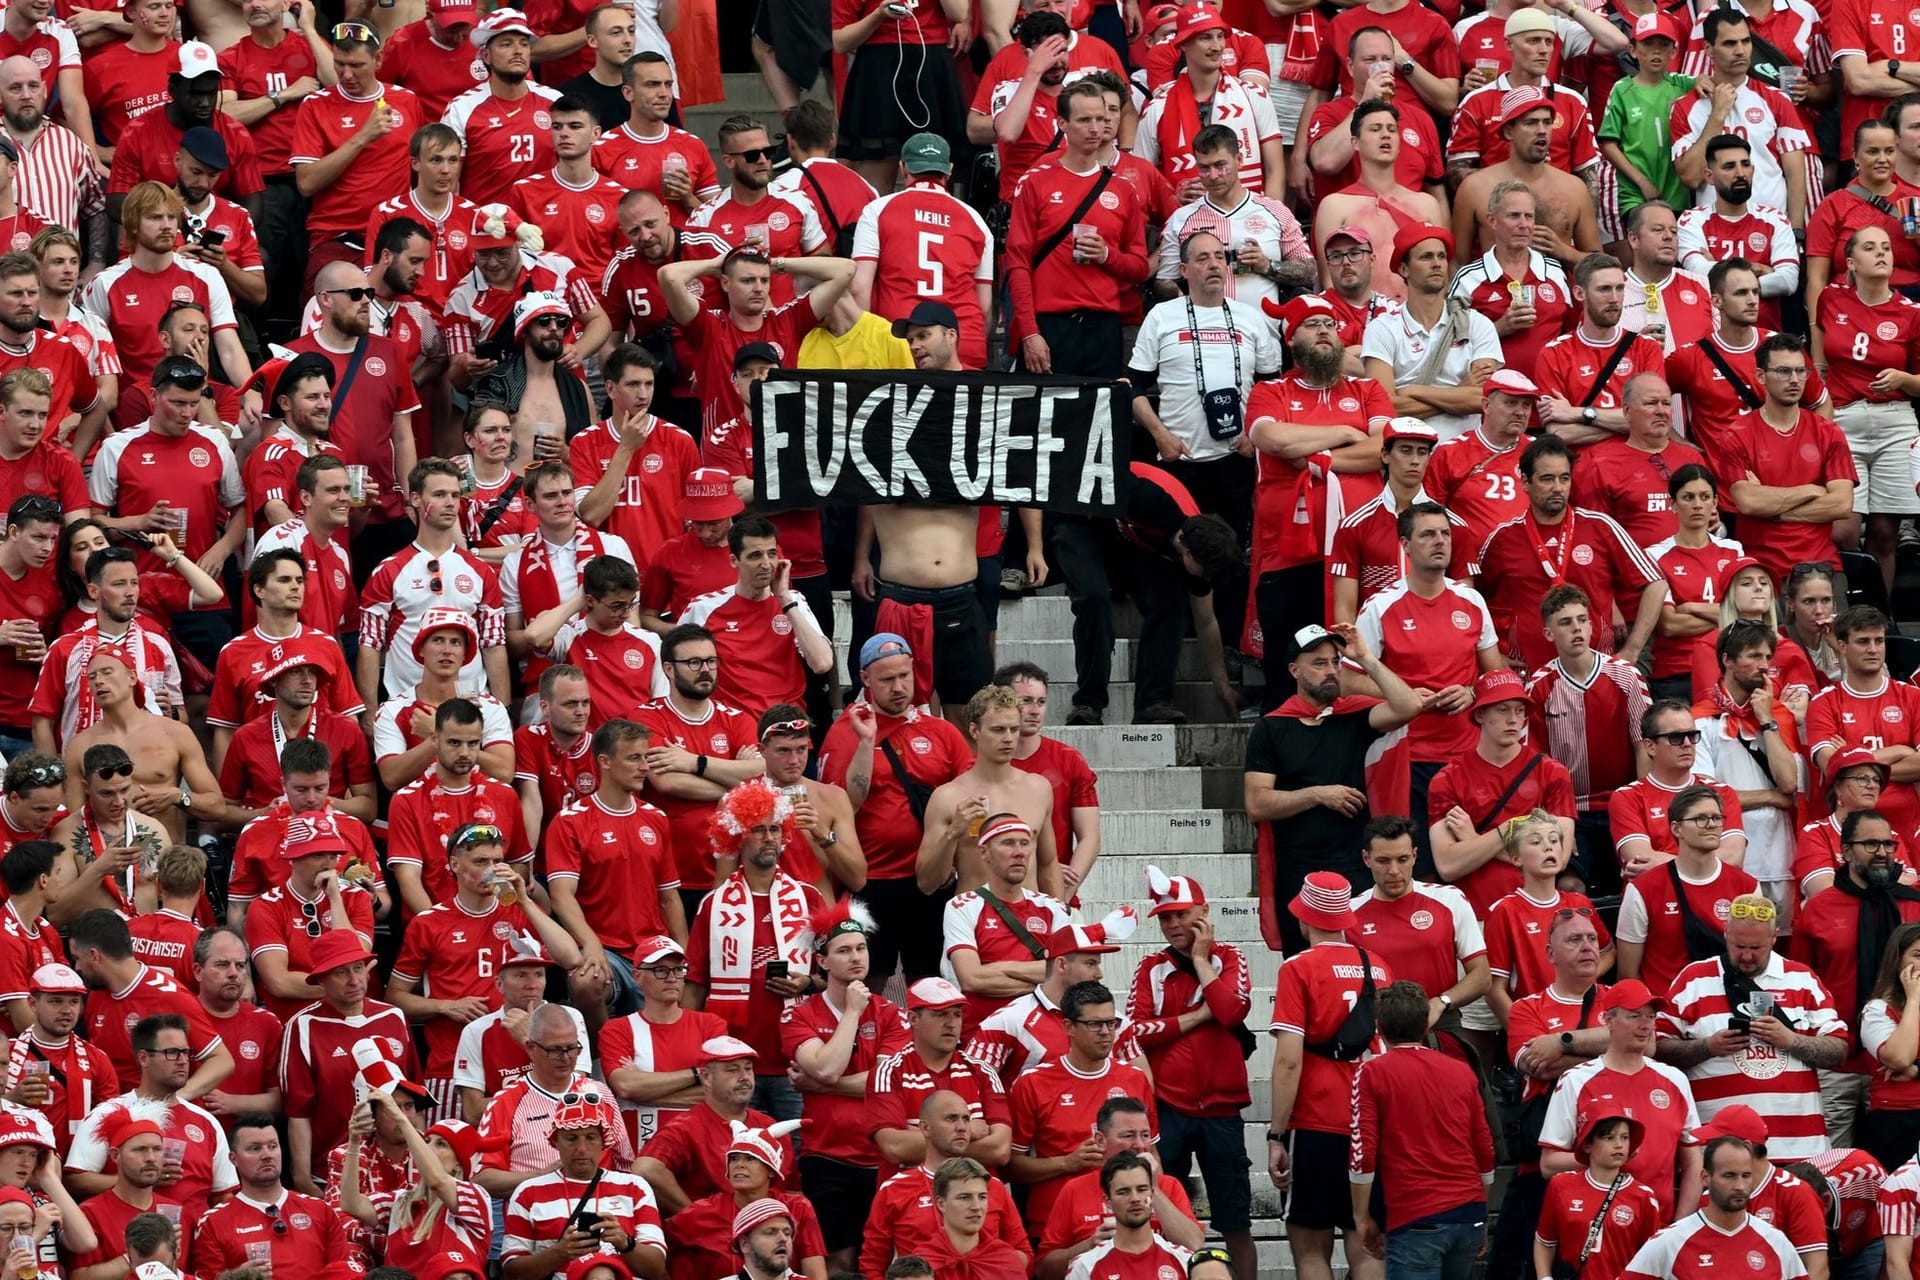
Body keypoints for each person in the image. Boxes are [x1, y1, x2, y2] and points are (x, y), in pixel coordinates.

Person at [1243, 622, 1421, 954]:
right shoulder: (1271, 727)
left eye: (1335, 662)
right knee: (1304, 966)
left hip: (1354, 865)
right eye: (1319, 663)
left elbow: (1409, 705)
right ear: (1295, 670)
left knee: (1363, 964)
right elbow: (1257, 803)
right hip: (1297, 869)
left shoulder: (1351, 716)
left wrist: (1365, 658)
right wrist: (1318, 794)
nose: (1331, 670)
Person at [1243, 299, 1393, 688]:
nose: (1324, 330)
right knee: (1289, 663)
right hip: (1291, 553)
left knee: (1358, 658)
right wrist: (1345, 434)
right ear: (1291, 339)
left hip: (1359, 551)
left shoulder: (1367, 389)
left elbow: (1384, 449)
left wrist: (1314, 457)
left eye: (1330, 323)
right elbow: (1271, 438)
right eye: (1311, 325)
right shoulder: (1270, 390)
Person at [389, 824, 581, 1108]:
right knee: (450, 1149)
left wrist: (524, 901)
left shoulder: (520, 911)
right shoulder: (428, 923)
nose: (492, 870)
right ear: (454, 864)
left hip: (516, 1063)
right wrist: (446, 1006)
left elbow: (571, 959)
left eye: (497, 861)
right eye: (481, 862)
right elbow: (394, 998)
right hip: (451, 1065)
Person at [817, 635, 972, 986]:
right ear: (865, 679)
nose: (899, 687)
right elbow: (844, 805)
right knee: (865, 981)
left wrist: (953, 862)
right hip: (872, 881)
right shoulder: (845, 733)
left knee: (931, 982)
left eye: (904, 676)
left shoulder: (942, 732)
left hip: (931, 882)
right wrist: (867, 742)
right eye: (887, 679)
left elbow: (971, 800)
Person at [1124, 867, 1253, 1278]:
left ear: (1204, 911)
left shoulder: (1230, 957)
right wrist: (1197, 1017)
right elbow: (1135, 1032)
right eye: (1165, 917)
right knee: (1164, 1218)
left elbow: (1233, 1011)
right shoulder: (1150, 967)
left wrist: (1200, 960)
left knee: (1236, 1224)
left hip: (1221, 1109)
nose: (1174, 924)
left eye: (1182, 914)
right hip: (1168, 1109)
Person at [1265, 873, 1392, 1280]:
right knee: (1368, 1244)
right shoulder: (1380, 967)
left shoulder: (1297, 968)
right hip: (1372, 1124)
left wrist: (1276, 1135)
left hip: (1316, 1120)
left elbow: (1288, 1061)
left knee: (1310, 1250)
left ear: (1304, 919)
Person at [1356, 499, 1503, 850]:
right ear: (1405, 545)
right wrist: (1403, 695)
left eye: (1445, 534)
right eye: (1427, 535)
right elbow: (1348, 682)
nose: (1440, 541)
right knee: (1418, 864)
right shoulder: (1380, 606)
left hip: (1468, 756)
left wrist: (1471, 692)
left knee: (1470, 856)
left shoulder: (1471, 601)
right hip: (1409, 757)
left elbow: (1496, 676)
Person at [1655, 893, 1847, 1155]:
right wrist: (1708, 1047)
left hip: (1799, 1146)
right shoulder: (1693, 979)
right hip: (1719, 1152)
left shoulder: (1802, 978)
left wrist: (1790, 1040)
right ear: (1725, 933)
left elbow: (1838, 1051)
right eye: (1738, 946)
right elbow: (1658, 1050)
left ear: (1774, 937)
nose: (1746, 956)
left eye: (1756, 948)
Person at [781, 900, 910, 1269]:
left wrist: (822, 1087)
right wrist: (852, 1011)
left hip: (882, 1156)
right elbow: (824, 1067)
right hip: (826, 1156)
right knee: (839, 1260)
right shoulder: (798, 1013)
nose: (856, 957)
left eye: (861, 948)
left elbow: (888, 1082)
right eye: (843, 951)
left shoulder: (891, 1013)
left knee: (881, 1262)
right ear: (822, 961)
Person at [1126, 227, 1282, 524]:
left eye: (1219, 257)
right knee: (1188, 554)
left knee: (1235, 552)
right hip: (1181, 459)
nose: (1213, 264)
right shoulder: (1162, 315)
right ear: (1184, 270)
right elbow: (1132, 387)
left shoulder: (1249, 317)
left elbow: (1271, 387)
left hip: (1238, 458)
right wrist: (1160, 436)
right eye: (1202, 258)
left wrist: (1255, 436)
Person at [1472, 435, 1666, 671]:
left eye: (1564, 478)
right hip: (1531, 677)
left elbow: (1656, 583)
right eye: (1547, 479)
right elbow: (1471, 601)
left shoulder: (1600, 526)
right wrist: (1493, 657)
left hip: (1598, 672)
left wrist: (1632, 651)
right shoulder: (1503, 538)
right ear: (1524, 482)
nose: (1557, 488)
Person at [1790, 809, 1920, 1149]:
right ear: (1846, 851)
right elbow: (1801, 988)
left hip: (1902, 1069)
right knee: (1833, 1171)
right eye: (1871, 844)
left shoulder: (1915, 906)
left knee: (1900, 1171)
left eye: (1888, 844)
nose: (1882, 852)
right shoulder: (1818, 909)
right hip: (1838, 1065)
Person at [544, 718, 685, 1031]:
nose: (644, 767)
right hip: (607, 950)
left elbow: (669, 896)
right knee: (586, 981)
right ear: (604, 762)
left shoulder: (656, 818)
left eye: (646, 757)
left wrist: (683, 953)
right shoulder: (571, 822)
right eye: (634, 758)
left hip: (655, 951)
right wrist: (590, 943)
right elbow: (561, 894)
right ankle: (599, 1057)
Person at [1347, 980, 1493, 1276]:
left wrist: (1361, 1217)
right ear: (1426, 1023)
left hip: (1416, 1215)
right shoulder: (1461, 1071)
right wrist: (1481, 1210)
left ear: (1380, 1028)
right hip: (1468, 1212)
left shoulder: (1373, 1073)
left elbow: (1363, 1154)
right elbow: (1484, 1149)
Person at [1538, 978, 1704, 1218]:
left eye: (1651, 1017)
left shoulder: (1675, 1080)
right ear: (1608, 1020)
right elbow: (1549, 1164)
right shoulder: (1577, 1080)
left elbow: (1693, 1162)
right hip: (1596, 1229)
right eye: (1634, 1016)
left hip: (1658, 1230)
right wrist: (1600, 1157)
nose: (1645, 1025)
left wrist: (1680, 1228)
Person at [1007, 979, 1155, 1239]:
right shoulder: (1034, 1083)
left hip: (1127, 1225)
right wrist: (1067, 1163)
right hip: (1059, 1229)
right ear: (1069, 1027)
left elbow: (1151, 1154)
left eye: (1112, 1023)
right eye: (1095, 1024)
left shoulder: (1134, 1078)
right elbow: (1011, 1167)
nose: (1106, 1032)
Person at [630, 624, 764, 908]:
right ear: (668, 669)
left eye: (711, 661)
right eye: (693, 662)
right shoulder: (646, 718)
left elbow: (759, 779)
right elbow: (667, 782)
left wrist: (694, 762)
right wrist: (734, 780)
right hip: (670, 875)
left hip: (733, 873)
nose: (705, 669)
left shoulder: (738, 719)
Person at [1428, 669, 1579, 917]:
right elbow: (1447, 865)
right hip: (1475, 916)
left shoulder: (1553, 772)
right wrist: (1509, 830)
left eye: (1520, 710)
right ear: (1480, 714)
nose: (1513, 719)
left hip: (1538, 912)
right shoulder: (1447, 779)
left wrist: (1474, 839)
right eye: (1502, 709)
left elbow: (1556, 859)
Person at [65, 1013, 237, 1228]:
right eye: (172, 1053)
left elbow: (224, 1196)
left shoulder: (206, 1121)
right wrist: (142, 1178)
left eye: (185, 1052)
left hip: (194, 1248)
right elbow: (75, 1181)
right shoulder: (108, 1113)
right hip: (129, 1242)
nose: (183, 1061)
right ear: (144, 1058)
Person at [280, 930, 416, 1190]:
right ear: (322, 979)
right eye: (341, 972)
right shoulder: (303, 1026)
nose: (354, 980)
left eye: (358, 968)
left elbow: (413, 1097)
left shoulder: (394, 1016)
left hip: (398, 1169)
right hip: (333, 1170)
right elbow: (298, 1112)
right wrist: (303, 1179)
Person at [81, 183, 248, 391]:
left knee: (252, 419)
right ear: (133, 224)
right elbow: (91, 358)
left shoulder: (206, 275)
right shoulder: (104, 284)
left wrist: (249, 392)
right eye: (155, 217)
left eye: (171, 217)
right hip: (135, 403)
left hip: (195, 396)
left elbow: (229, 348)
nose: (166, 225)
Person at [850, 134, 994, 368]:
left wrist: (867, 347)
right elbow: (985, 306)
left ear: (902, 168)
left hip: (901, 343)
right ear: (948, 170)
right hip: (962, 343)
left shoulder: (878, 210)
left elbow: (859, 288)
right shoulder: (976, 220)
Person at [1671, 10, 1814, 231]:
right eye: (1729, 43)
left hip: (1771, 230)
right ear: (1708, 49)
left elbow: (1796, 173)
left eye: (1745, 41)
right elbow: (1690, 177)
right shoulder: (1684, 106)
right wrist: (1717, 115)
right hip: (1713, 234)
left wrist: (1795, 231)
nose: (1740, 51)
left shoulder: (1777, 99)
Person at [500, 1091, 667, 1280]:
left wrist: (624, 1242)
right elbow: (511, 1273)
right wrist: (560, 1252)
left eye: (590, 1137)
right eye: (571, 1138)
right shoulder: (528, 1192)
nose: (581, 1148)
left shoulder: (635, 1187)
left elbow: (657, 1269)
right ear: (555, 1141)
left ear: (603, 1141)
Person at [1359, 225, 1502, 444]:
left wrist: (1411, 390)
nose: (1437, 264)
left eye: (1441, 257)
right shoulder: (1383, 328)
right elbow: (1384, 406)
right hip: (1408, 456)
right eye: (1426, 257)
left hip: (1467, 453)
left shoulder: (1477, 324)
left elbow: (1485, 398)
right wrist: (1460, 392)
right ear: (1404, 269)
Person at [678, 519, 833, 721]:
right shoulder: (703, 608)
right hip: (730, 725)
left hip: (786, 725)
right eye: (755, 556)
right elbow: (676, 668)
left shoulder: (793, 601)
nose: (766, 564)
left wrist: (784, 600)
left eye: (771, 554)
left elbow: (822, 663)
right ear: (734, 560)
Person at [918, 687, 1060, 902]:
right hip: (974, 923)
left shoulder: (1038, 789)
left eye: (1014, 729)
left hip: (1029, 922)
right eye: (998, 729)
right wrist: (953, 834)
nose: (1008, 738)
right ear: (974, 731)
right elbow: (927, 883)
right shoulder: (948, 797)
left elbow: (1048, 865)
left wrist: (1061, 922)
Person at [864, 1088, 1023, 1280]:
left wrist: (996, 1269)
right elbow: (872, 1263)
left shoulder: (993, 1186)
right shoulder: (894, 1189)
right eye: (951, 1119)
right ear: (925, 1128)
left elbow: (1022, 1251)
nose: (963, 1127)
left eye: (966, 1119)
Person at [939, 812, 1073, 1031]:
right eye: (1008, 843)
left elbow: (1068, 974)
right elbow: (972, 979)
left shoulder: (1053, 908)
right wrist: (1043, 977)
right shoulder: (961, 906)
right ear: (984, 853)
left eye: (1025, 843)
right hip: (983, 1030)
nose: (1019, 853)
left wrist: (997, 969)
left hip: (1044, 1030)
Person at [336, 1090, 491, 1276]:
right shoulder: (401, 1200)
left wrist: (400, 1119)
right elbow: (351, 1204)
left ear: (459, 1161)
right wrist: (354, 1140)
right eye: (427, 1141)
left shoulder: (475, 1197)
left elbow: (438, 1181)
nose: (428, 1147)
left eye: (441, 1144)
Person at [1352, 816, 1490, 1024]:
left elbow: (1482, 976)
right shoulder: (1348, 914)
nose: (1394, 870)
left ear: (1415, 856)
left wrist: (1441, 1002)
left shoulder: (1450, 899)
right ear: (1366, 858)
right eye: (1383, 861)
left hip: (1441, 1022)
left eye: (1402, 859)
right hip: (1377, 1029)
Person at [632, 1036, 792, 1212]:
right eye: (733, 1070)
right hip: (713, 1236)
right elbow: (645, 1168)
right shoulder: (686, 1127)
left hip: (765, 1229)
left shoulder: (769, 1125)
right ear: (706, 1077)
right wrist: (696, 1216)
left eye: (748, 1069)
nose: (744, 1077)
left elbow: (791, 1189)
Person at [1134, 6, 1282, 196]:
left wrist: (1271, 220)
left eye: (1220, 36)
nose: (1217, 46)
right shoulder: (1157, 108)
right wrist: (1174, 198)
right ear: (1183, 44)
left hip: (1250, 216)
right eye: (1205, 38)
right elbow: (1142, 179)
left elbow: (1275, 171)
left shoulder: (1254, 96)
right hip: (1185, 219)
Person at [661, 1115, 828, 1280]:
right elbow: (657, 1253)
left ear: (771, 1169)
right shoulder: (698, 1214)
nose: (739, 1164)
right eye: (734, 1158)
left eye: (750, 1158)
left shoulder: (798, 1208)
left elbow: (816, 1275)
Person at [189, 1115, 357, 1276]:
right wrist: (237, 1277)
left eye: (273, 1146)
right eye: (254, 1148)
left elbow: (343, 1272)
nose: (267, 1155)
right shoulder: (214, 1222)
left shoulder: (321, 1210)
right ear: (234, 1159)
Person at [242, 819, 376, 1021]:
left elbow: (353, 962)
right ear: (293, 857)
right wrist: (343, 986)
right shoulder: (266, 906)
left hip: (351, 1019)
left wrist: (334, 899)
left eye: (333, 855)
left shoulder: (355, 898)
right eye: (317, 855)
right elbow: (279, 982)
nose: (328, 864)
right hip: (293, 1020)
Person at [1446, 177, 1577, 383]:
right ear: (1492, 220)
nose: (1523, 224)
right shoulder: (1468, 279)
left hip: (1550, 398)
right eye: (1514, 216)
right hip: (1493, 400)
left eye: (1529, 216)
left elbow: (1572, 335)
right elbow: (1448, 347)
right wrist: (1498, 328)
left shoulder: (1554, 272)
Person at [1619, 1136, 1807, 1278]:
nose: (1740, 1186)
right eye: (1729, 1176)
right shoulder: (1669, 1243)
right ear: (1705, 1178)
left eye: (1746, 1175)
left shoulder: (1776, 1242)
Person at [1806, 607, 1920, 838]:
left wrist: (1852, 760)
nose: (1873, 649)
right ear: (1842, 646)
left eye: (1879, 641)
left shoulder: (1913, 697)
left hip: (1908, 828)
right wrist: (1900, 751)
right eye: (1863, 641)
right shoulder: (1823, 703)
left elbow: (1843, 766)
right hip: (1850, 833)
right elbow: (1832, 767)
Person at [1610, 699, 1750, 876]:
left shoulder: (1722, 793)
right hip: (1655, 898)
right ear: (1650, 747)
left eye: (1692, 735)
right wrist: (1708, 861)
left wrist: (1663, 862)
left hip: (1712, 897)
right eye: (1675, 737)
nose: (1687, 743)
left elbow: (1734, 857)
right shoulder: (1627, 797)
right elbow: (1641, 860)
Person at [1680, 138, 1800, 332]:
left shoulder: (1775, 219)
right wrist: (1763, 269)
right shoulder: (1691, 220)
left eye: (1745, 164)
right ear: (1709, 177)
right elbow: (1698, 272)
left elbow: (1788, 280)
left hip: (1767, 341)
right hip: (1711, 340)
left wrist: (1719, 268)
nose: (1740, 173)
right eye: (1729, 166)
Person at [1533, 1111, 1667, 1280]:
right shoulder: (1561, 1185)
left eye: (1625, 1137)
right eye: (1609, 1137)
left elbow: (1652, 1259)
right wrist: (1545, 1277)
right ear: (1587, 1145)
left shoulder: (1643, 1196)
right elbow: (1545, 1240)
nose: (1619, 1145)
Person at [544, 556, 669, 730]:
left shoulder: (649, 641)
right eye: (616, 606)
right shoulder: (569, 637)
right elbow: (535, 637)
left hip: (634, 748)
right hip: (584, 748)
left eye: (630, 604)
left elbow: (661, 704)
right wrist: (576, 601)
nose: (625, 614)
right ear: (589, 601)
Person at [754, 706, 866, 896]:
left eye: (801, 749)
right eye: (783, 751)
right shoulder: (740, 800)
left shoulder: (833, 797)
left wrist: (823, 834)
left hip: (819, 916)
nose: (794, 760)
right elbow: (724, 884)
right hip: (764, 919)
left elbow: (857, 880)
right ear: (762, 750)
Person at [190, 929, 284, 1123]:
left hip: (249, 1144)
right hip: (192, 1140)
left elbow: (280, 1100)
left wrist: (232, 1103)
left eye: (240, 966)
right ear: (198, 971)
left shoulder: (267, 1023)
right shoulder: (179, 1019)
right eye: (223, 965)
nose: (234, 973)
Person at [1060, 1153, 1192, 1280]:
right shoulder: (1085, 1266)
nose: (1135, 1199)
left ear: (1152, 1194)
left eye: (1141, 1190)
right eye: (1123, 1192)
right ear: (1108, 1201)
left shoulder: (1184, 1260)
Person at [1856, 921, 1920, 1171]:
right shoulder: (1877, 1010)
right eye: (1917, 955)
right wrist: (1914, 999)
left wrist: (1916, 1071)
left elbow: (1908, 1065)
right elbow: (1898, 1058)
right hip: (1896, 1121)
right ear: (1897, 962)